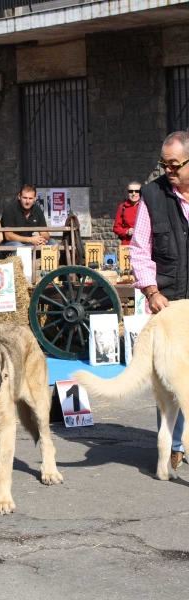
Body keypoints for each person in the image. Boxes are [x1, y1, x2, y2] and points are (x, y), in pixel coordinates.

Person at [130, 130, 189, 471]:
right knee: (169, 377)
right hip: (167, 300)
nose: (168, 169)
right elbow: (139, 250)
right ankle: (173, 446)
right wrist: (151, 292)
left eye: (175, 164)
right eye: (163, 163)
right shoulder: (152, 195)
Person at [1, 183, 57, 251]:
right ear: (19, 196)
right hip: (9, 244)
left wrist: (41, 240)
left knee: (53, 244)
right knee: (19, 247)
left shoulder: (37, 210)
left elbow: (45, 233)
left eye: (30, 198)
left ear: (35, 198)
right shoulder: (10, 209)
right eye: (25, 198)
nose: (27, 201)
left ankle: (57, 262)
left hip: (29, 243)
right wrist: (30, 239)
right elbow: (8, 236)